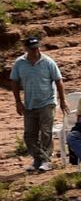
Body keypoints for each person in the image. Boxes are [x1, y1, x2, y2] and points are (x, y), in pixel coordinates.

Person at [10, 36, 67, 172]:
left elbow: (58, 81)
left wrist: (62, 100)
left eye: (36, 47)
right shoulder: (19, 63)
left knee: (46, 132)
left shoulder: (48, 62)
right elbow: (14, 81)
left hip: (47, 102)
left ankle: (46, 161)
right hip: (29, 104)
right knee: (29, 134)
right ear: (26, 48)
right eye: (32, 48)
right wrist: (18, 101)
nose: (35, 50)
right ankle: (38, 159)